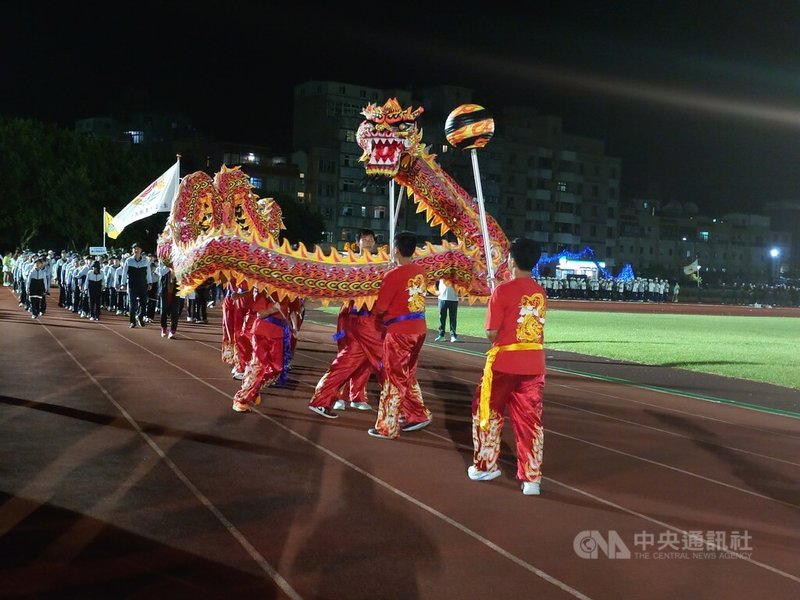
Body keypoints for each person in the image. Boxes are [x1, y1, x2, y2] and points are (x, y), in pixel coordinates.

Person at [467, 237, 547, 496]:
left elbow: (491, 332)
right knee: (530, 420)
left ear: (511, 259)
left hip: (504, 363)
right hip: (534, 363)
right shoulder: (540, 292)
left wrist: (496, 297)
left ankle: (486, 464)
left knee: (486, 412)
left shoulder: (502, 291)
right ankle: (532, 478)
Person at [367, 231, 432, 439]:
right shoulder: (421, 271)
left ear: (395, 249)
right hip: (419, 330)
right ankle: (418, 414)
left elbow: (381, 308)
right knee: (408, 374)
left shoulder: (393, 275)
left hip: (400, 333)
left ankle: (387, 426)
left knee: (394, 378)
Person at [231, 289, 291, 413]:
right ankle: (240, 399)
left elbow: (293, 311)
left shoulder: (291, 291)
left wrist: (293, 326)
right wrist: (271, 310)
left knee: (276, 368)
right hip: (262, 332)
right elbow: (259, 314)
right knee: (258, 366)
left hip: (279, 333)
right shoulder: (266, 289)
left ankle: (254, 388)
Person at [121, 243, 156, 328]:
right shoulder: (128, 261)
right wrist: (123, 284)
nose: (136, 250)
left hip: (142, 284)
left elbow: (148, 273)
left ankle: (140, 316)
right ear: (132, 250)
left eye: (138, 249)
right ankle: (132, 322)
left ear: (141, 250)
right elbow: (124, 273)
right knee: (133, 304)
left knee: (144, 304)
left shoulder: (145, 261)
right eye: (134, 249)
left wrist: (150, 283)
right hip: (132, 284)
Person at [159, 264, 181, 338]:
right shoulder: (163, 265)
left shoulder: (179, 266)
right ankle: (164, 328)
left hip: (175, 292)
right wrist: (170, 268)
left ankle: (172, 331)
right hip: (165, 292)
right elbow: (160, 272)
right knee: (163, 312)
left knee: (175, 312)